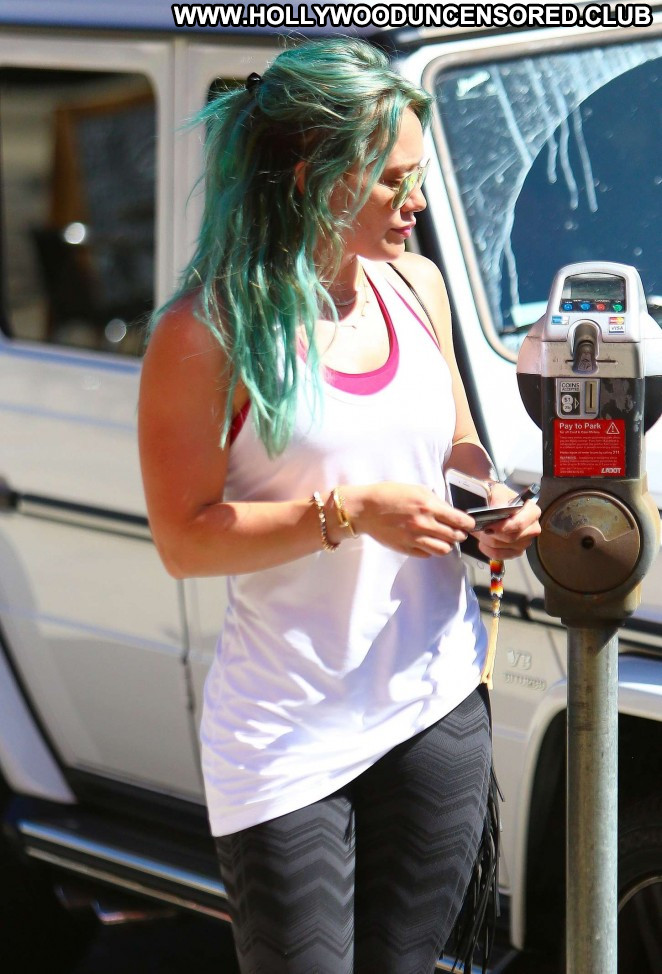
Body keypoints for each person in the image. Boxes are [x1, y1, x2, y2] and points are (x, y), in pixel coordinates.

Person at [138, 37, 541, 974]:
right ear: (312, 174)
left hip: (435, 706)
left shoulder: (418, 288)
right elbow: (185, 542)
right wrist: (347, 513)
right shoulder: (206, 334)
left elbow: (456, 447)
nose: (418, 200)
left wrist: (492, 507)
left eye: (419, 175)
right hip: (287, 736)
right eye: (394, 179)